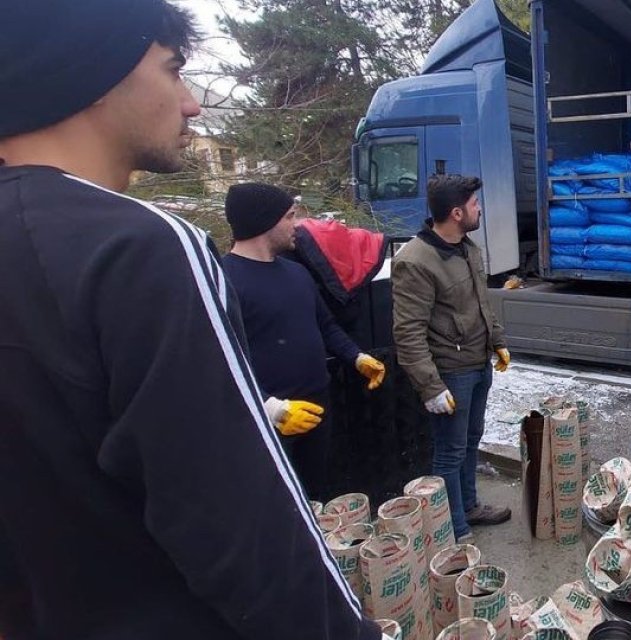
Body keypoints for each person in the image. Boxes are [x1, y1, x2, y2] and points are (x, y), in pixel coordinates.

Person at [0, 1, 381, 638]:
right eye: (173, 69)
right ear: (95, 68)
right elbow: (243, 522)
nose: (192, 105)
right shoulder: (140, 245)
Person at [220, 182, 386, 498]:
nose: (296, 225)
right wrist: (272, 409)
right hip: (267, 419)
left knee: (314, 495)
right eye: (289, 216)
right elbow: (220, 358)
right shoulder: (225, 280)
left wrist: (356, 357)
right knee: (276, 504)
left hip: (316, 404)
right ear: (264, 221)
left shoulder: (296, 273)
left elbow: (326, 325)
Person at [392, 174, 512, 543]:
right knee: (449, 452)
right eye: (474, 204)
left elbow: (480, 302)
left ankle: (469, 507)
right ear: (457, 213)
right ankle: (454, 529)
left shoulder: (466, 248)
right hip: (450, 373)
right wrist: (431, 387)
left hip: (478, 364)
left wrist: (497, 341)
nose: (480, 209)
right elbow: (408, 333)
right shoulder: (415, 260)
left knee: (471, 441)